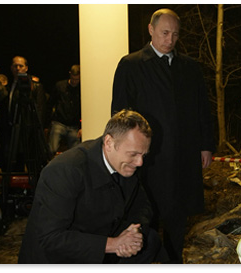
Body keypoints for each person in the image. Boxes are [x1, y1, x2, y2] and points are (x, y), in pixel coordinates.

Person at [112, 8, 216, 263]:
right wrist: (122, 150)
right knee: (143, 214)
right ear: (151, 30)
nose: (169, 40)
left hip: (182, 156)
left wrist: (206, 146)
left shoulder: (190, 68)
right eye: (164, 33)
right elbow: (120, 112)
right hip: (146, 159)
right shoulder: (131, 64)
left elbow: (204, 108)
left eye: (175, 35)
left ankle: (173, 263)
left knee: (177, 216)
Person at [18, 109, 161, 264]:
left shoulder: (126, 163)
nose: (140, 162)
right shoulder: (64, 170)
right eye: (133, 154)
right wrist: (113, 244)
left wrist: (133, 233)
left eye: (143, 155)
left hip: (98, 242)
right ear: (109, 143)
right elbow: (51, 238)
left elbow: (142, 207)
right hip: (57, 259)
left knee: (150, 240)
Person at [0, 56, 49, 173]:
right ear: (11, 68)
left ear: (26, 68)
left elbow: (40, 109)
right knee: (15, 163)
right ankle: (15, 189)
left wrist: (38, 129)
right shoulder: (10, 87)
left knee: (34, 164)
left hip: (30, 131)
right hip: (13, 130)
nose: (18, 68)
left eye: (21, 66)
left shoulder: (35, 86)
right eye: (15, 66)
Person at [46, 64, 82, 156]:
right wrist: (49, 122)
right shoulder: (60, 86)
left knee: (75, 154)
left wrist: (82, 126)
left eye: (77, 79)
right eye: (73, 78)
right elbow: (50, 103)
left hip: (74, 125)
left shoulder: (82, 89)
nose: (74, 81)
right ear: (70, 74)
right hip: (59, 122)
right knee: (51, 149)